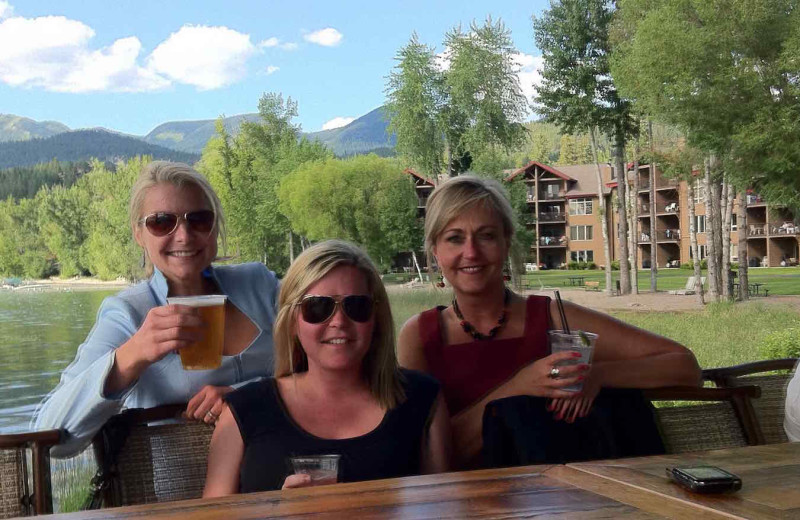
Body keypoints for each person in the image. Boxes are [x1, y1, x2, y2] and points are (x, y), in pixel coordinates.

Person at [398, 175, 702, 468]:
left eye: (487, 235)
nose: (471, 252)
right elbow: (425, 457)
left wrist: (595, 375)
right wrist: (520, 386)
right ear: (435, 251)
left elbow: (685, 366)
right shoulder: (420, 336)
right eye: (454, 238)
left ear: (506, 243)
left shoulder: (555, 316)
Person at [33, 161, 279, 458]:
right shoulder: (127, 314)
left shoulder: (260, 285)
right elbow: (50, 440)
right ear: (139, 233)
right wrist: (131, 355)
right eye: (162, 221)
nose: (184, 235)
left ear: (215, 227)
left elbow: (331, 372)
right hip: (182, 493)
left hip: (287, 477)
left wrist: (250, 395)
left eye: (199, 219)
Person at [203, 240, 450, 496]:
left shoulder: (422, 399)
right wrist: (276, 510)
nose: (339, 322)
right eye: (317, 307)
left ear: (376, 319)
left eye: (357, 306)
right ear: (291, 322)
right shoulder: (243, 410)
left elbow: (445, 510)